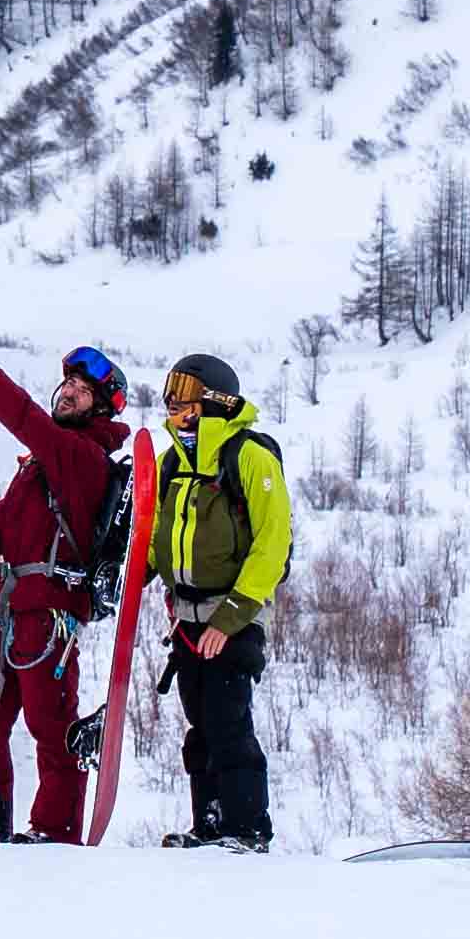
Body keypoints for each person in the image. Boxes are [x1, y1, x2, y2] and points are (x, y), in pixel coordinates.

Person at [0, 324, 130, 841]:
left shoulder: (82, 461)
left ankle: (53, 833)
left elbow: (25, 418)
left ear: (101, 410)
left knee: (52, 731)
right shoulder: (36, 470)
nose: (69, 393)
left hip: (49, 621)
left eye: (83, 391)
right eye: (66, 386)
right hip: (7, 614)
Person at [146, 354, 290, 848]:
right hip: (185, 620)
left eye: (184, 405)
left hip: (231, 618)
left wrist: (230, 619)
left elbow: (272, 545)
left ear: (212, 404)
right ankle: (209, 823)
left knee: (229, 724)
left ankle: (247, 827)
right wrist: (137, 574)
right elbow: (159, 534)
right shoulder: (173, 464)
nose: (173, 414)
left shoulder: (249, 457)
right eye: (170, 405)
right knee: (200, 728)